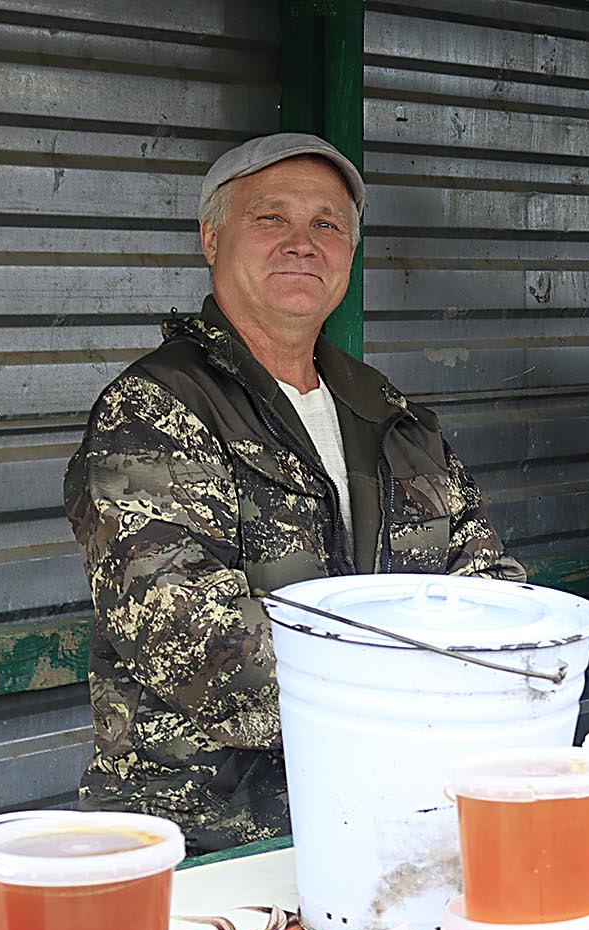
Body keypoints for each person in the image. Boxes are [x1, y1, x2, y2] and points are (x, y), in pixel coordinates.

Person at [64, 133, 523, 854]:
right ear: (212, 238)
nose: (302, 243)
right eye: (271, 218)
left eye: (327, 224)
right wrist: (425, 693)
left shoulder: (391, 417)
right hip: (215, 839)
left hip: (401, 816)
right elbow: (199, 644)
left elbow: (494, 594)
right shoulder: (155, 411)